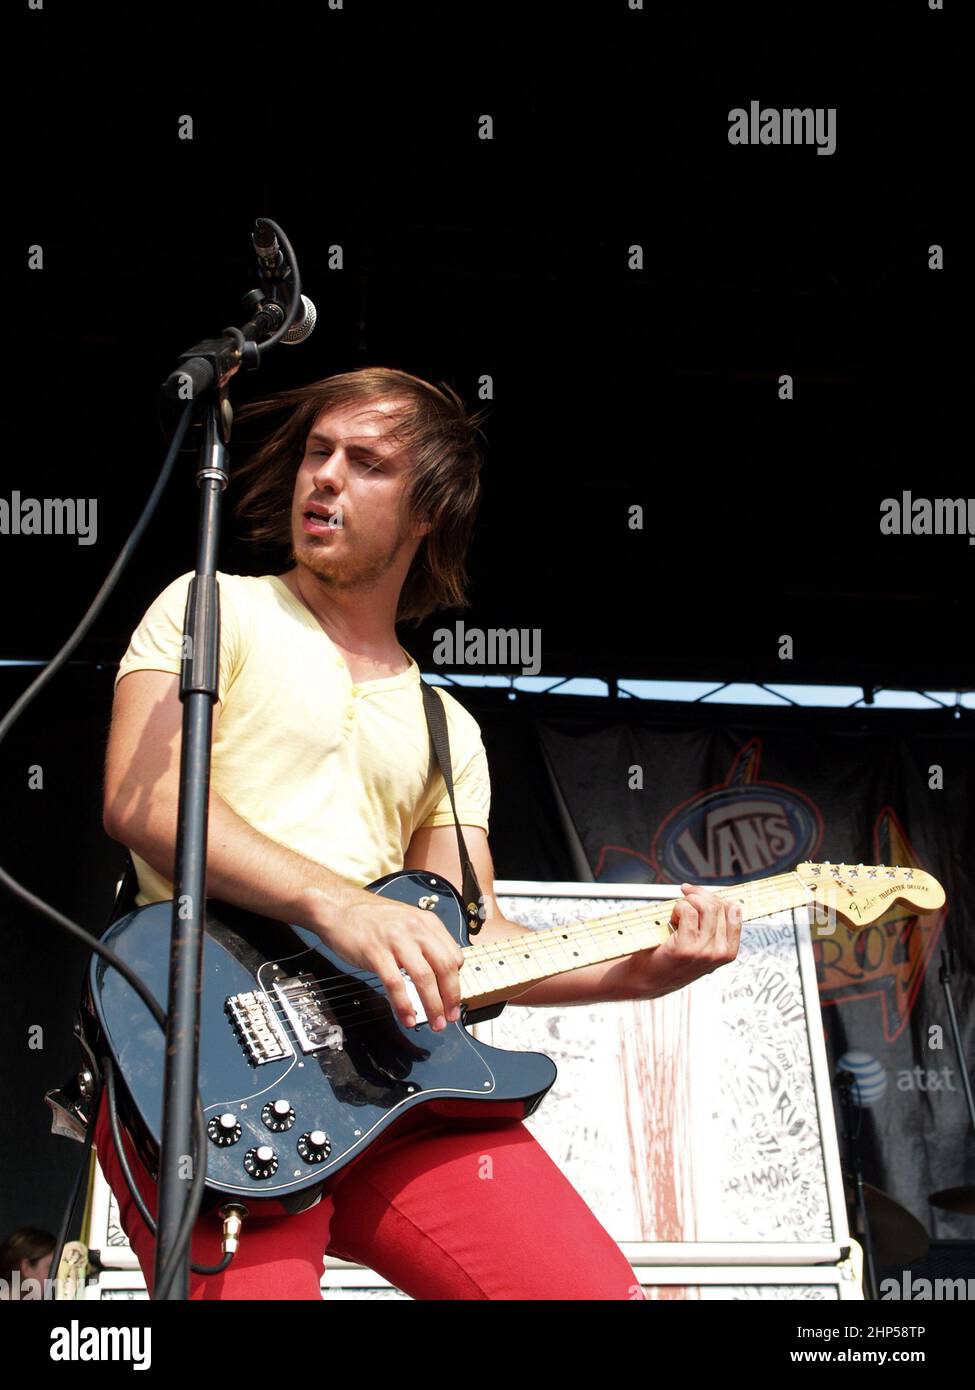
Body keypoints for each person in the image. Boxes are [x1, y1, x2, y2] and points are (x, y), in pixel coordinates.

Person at [94, 365, 741, 1300]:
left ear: (427, 509)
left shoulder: (448, 725)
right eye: (319, 453)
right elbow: (144, 802)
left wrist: (639, 973)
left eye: (366, 464)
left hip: (388, 1076)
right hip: (210, 1060)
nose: (325, 478)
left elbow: (468, 941)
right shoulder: (214, 606)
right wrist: (341, 904)